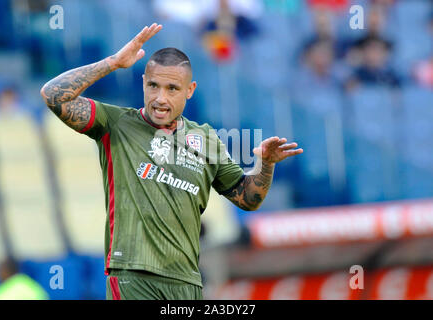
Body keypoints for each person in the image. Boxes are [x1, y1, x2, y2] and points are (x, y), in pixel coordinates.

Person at [39, 23, 303, 300]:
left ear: (190, 90)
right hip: (132, 276)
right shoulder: (116, 124)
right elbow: (54, 95)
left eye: (172, 88)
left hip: (187, 282)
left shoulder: (206, 139)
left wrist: (265, 164)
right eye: (153, 85)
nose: (160, 98)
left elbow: (248, 198)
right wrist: (113, 62)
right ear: (143, 82)